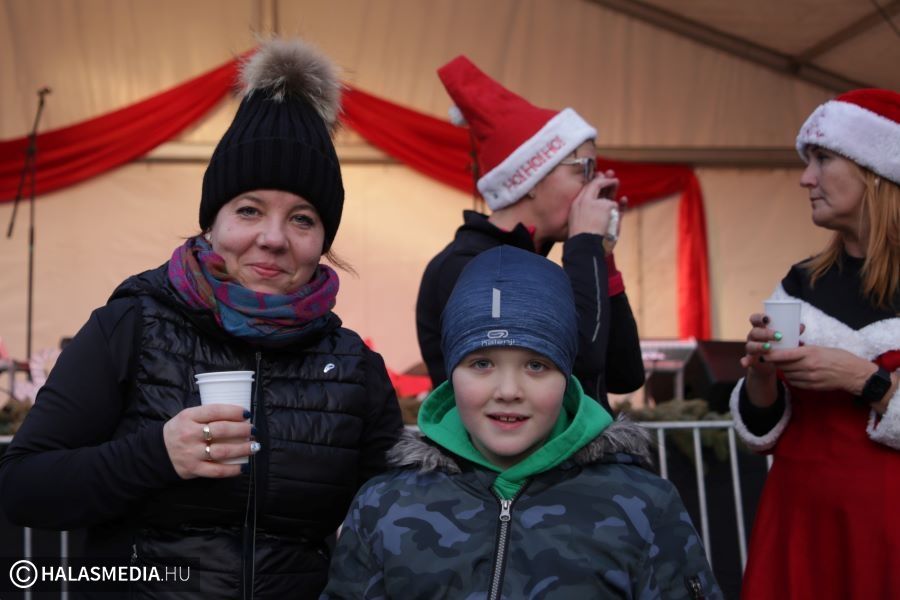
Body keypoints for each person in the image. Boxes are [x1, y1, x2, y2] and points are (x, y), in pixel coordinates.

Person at [0, 38, 402, 599]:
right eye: (249, 210)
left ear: (323, 240)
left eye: (302, 218)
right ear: (212, 221)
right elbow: (22, 487)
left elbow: (396, 522)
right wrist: (156, 454)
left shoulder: (354, 368)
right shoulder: (131, 328)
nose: (273, 238)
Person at [322, 245, 721, 599]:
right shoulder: (385, 505)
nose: (508, 390)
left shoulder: (643, 506)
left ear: (567, 377)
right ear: (450, 374)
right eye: (482, 363)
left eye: (536, 365)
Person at [731, 89, 900, 599]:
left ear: (875, 171)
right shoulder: (800, 284)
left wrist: (861, 379)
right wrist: (761, 374)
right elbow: (763, 428)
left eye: (823, 159)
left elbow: (863, 382)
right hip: (800, 522)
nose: (806, 178)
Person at [415, 56, 644, 412]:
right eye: (584, 169)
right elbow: (578, 366)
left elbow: (625, 374)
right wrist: (584, 246)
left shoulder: (540, 266)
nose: (595, 185)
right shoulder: (471, 266)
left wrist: (602, 257)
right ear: (531, 180)